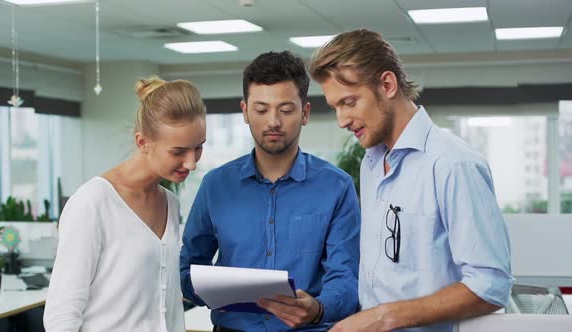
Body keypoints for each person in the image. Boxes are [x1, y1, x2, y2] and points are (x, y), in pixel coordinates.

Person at [309, 29, 514, 332]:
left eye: (349, 102)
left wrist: (385, 318)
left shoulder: (453, 164)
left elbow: (491, 285)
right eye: (336, 107)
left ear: (387, 85)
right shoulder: (371, 163)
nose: (342, 120)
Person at [180, 51, 361, 331]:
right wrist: (210, 288)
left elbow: (346, 277)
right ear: (244, 112)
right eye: (261, 110)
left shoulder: (337, 187)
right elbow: (189, 268)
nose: (273, 121)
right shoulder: (215, 185)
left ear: (305, 113)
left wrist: (318, 308)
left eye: (286, 110)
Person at [44, 77, 206, 331]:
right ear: (142, 142)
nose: (191, 162)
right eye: (178, 152)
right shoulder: (92, 203)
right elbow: (61, 315)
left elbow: (166, 303)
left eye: (198, 148)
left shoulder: (170, 204)